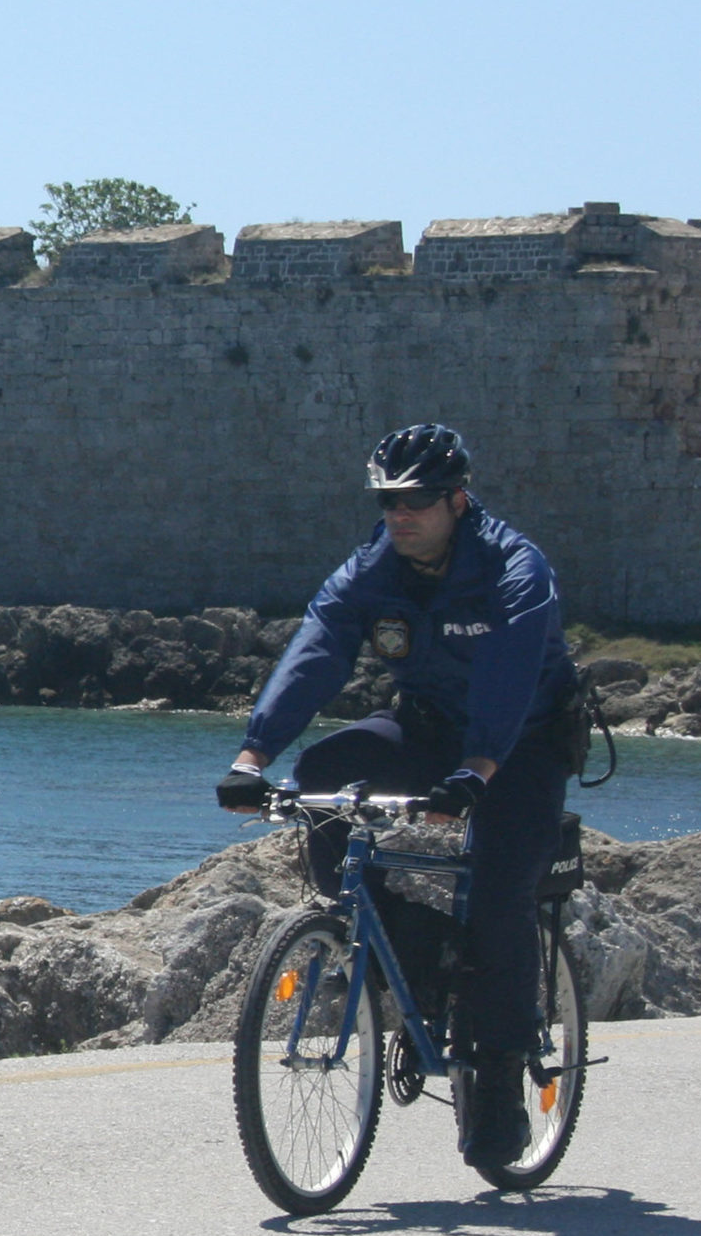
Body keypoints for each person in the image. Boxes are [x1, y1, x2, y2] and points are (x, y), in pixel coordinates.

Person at [218, 423, 581, 1171]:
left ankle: (499, 1069)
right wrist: (253, 756)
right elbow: (318, 646)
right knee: (323, 778)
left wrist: (478, 769)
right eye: (387, 502)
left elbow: (510, 674)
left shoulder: (515, 565)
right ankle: (416, 951)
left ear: (457, 498)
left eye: (415, 501)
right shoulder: (374, 568)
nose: (398, 516)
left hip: (522, 743)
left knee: (499, 893)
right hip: (429, 728)